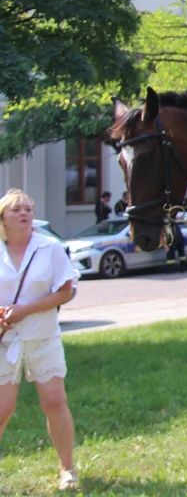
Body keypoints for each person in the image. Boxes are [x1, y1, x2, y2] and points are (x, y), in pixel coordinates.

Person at [0, 189, 81, 491]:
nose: (24, 214)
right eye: (16, 210)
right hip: (4, 341)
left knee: (55, 403)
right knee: (2, 409)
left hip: (43, 337)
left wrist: (25, 311)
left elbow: (65, 291)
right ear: (3, 218)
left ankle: (67, 470)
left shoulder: (49, 247)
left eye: (28, 209)